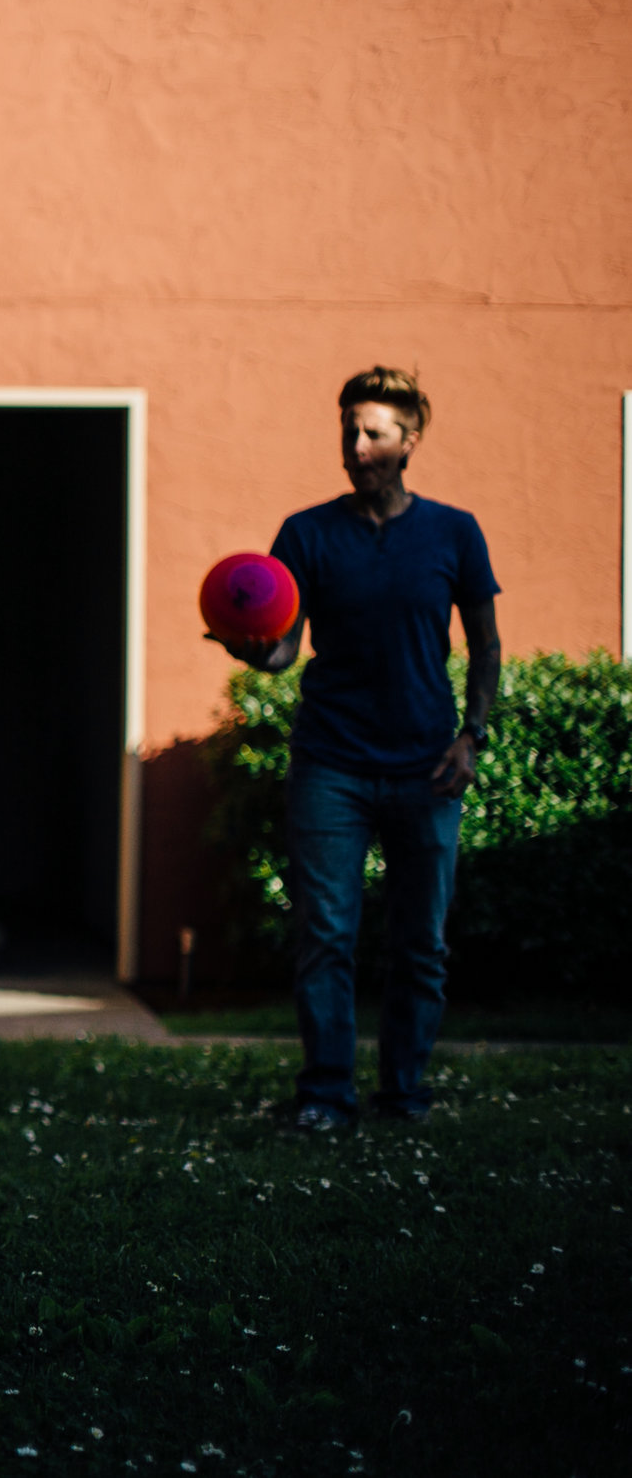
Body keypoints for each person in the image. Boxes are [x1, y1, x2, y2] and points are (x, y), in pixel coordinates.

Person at [215, 368, 500, 1131]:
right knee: (326, 937)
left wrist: (472, 735)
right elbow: (282, 655)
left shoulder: (454, 532)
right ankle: (325, 1095)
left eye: (374, 430)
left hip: (427, 766)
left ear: (410, 442)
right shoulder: (306, 533)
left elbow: (485, 644)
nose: (357, 443)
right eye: (348, 427)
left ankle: (404, 1094)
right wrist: (251, 651)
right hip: (331, 765)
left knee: (420, 946)